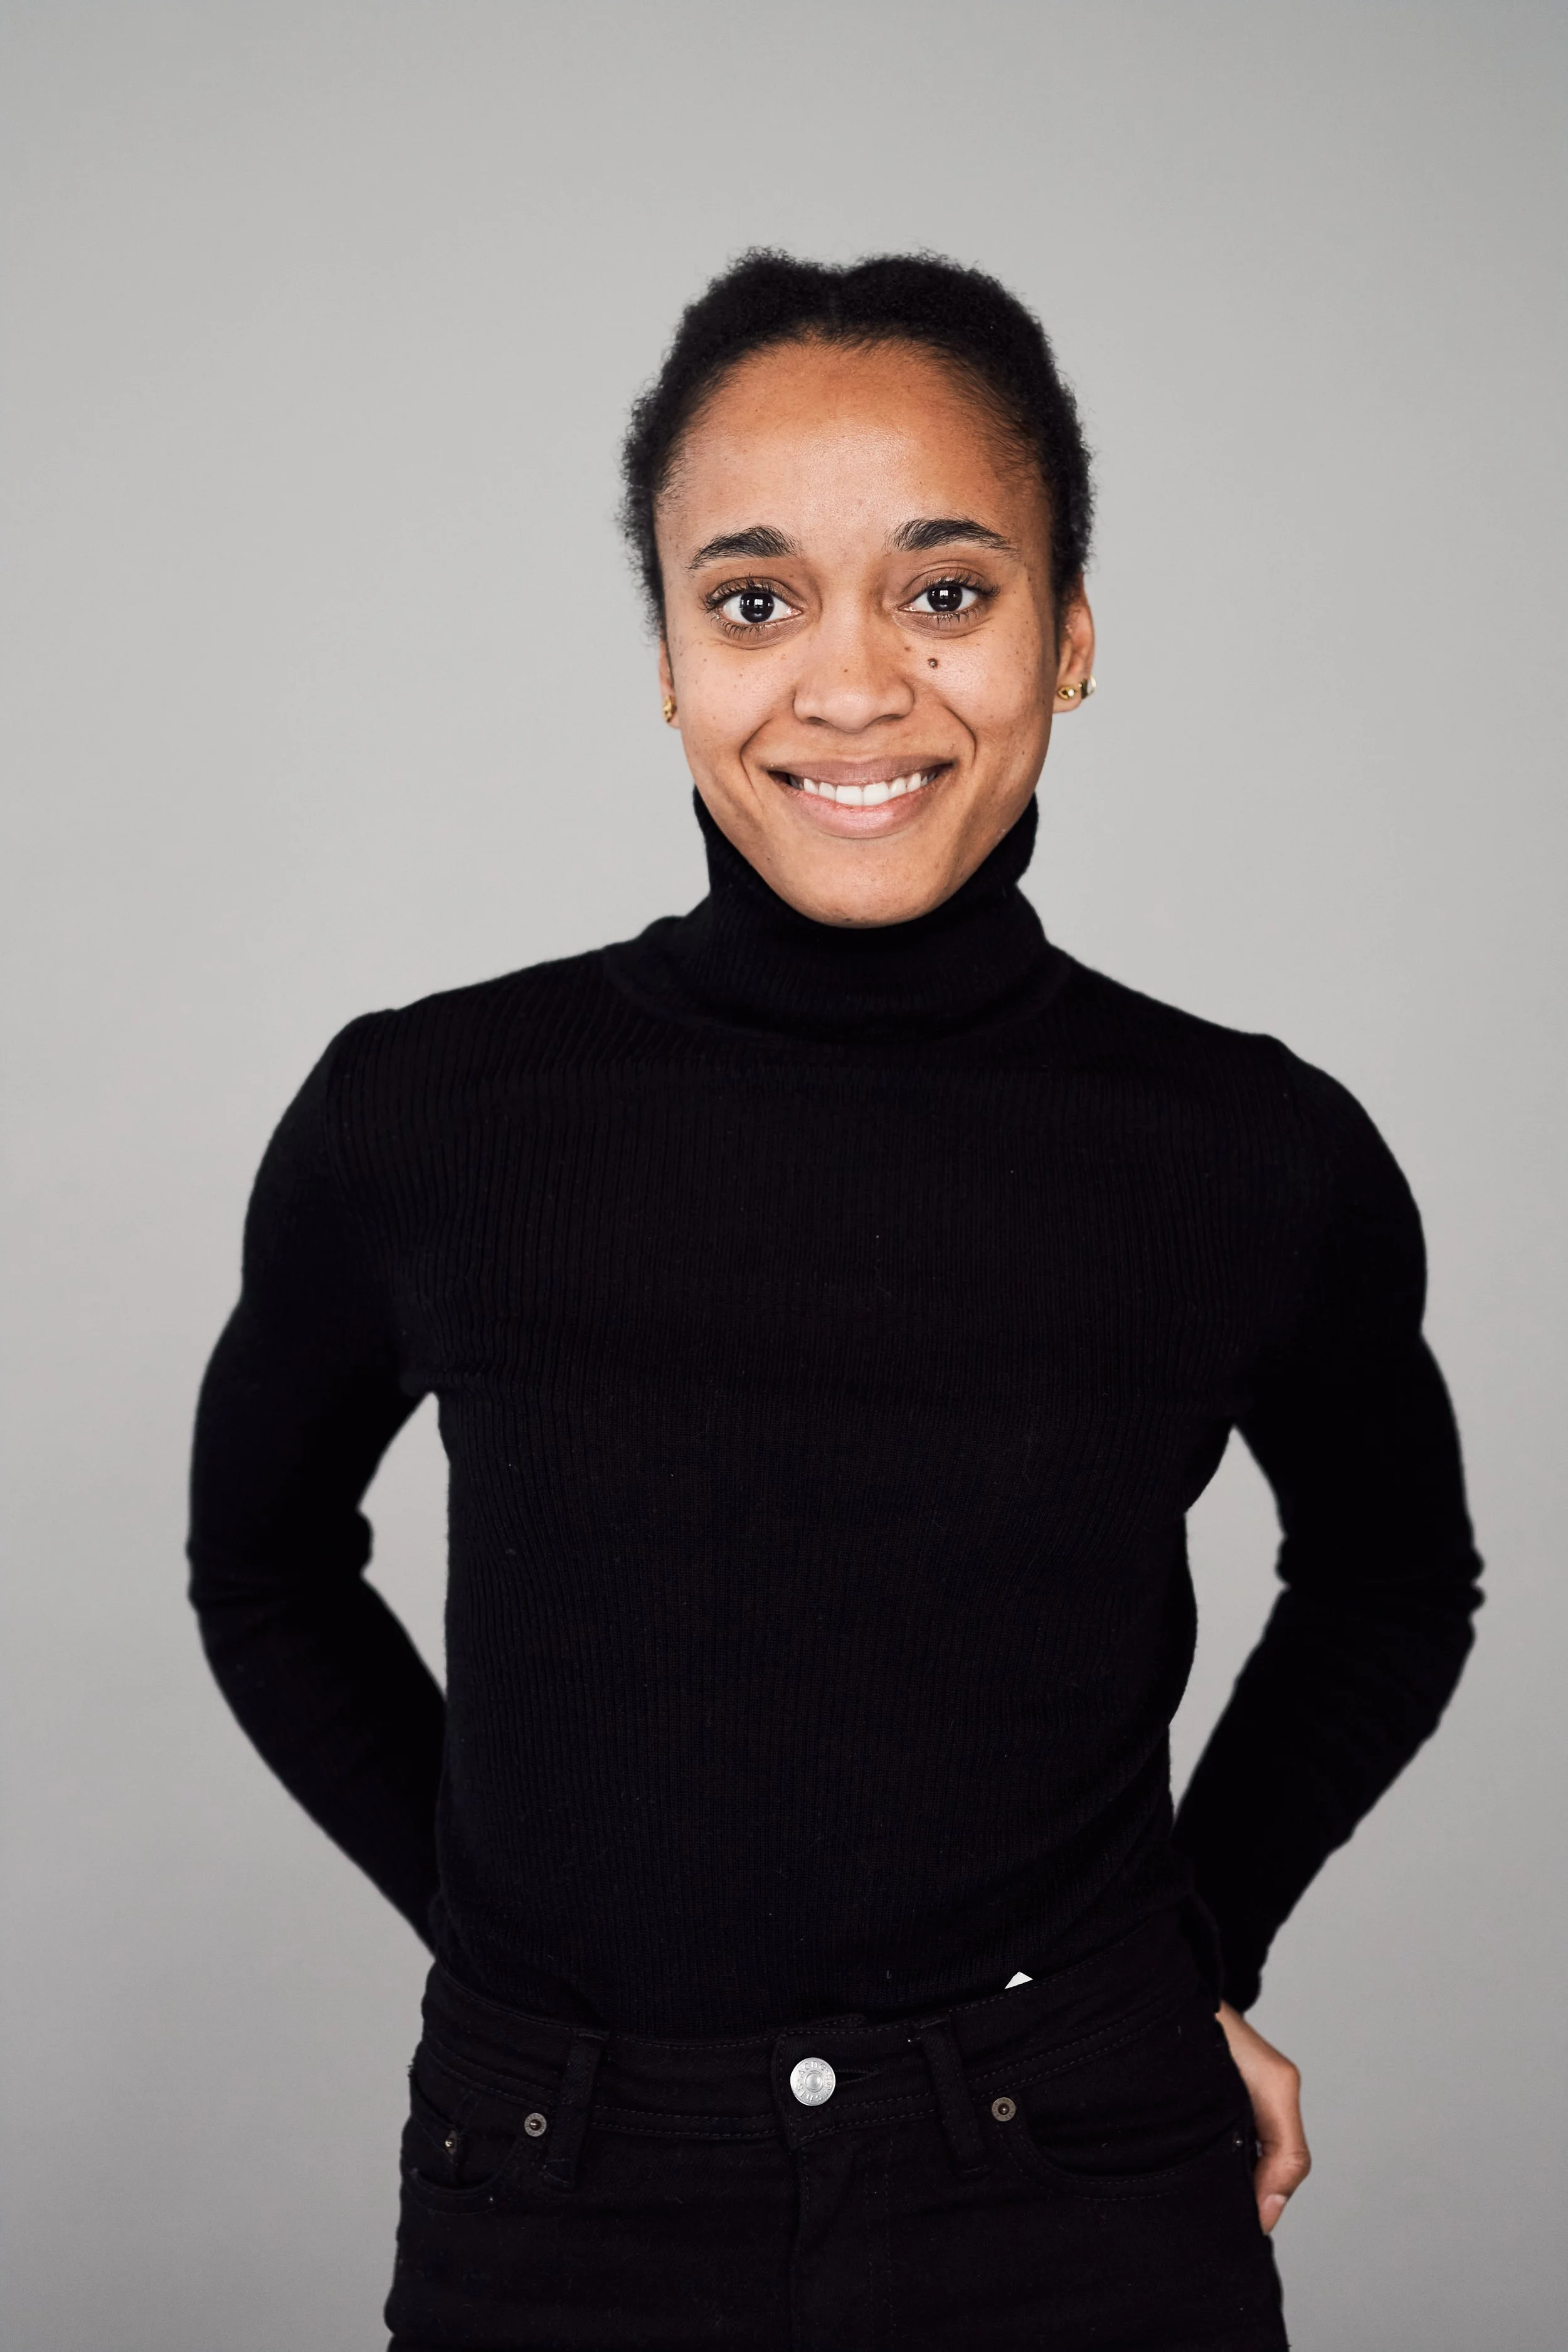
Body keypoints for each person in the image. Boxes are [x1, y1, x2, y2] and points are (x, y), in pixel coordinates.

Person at [188, 252, 1482, 2350]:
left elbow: (1391, 1582)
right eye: (754, 600)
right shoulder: (429, 1113)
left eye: (945, 590)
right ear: (667, 657)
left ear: (1070, 638)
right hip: (560, 2188)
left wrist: (1191, 1949)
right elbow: (259, 1565)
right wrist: (509, 1941)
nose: (853, 686)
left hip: (1080, 2184)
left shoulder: (1249, 1148)